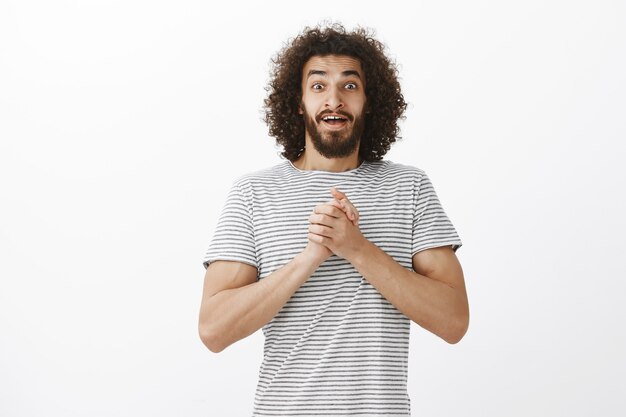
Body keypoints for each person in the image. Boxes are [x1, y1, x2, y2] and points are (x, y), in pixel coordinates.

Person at [198, 24, 469, 417]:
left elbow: (454, 321)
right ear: (298, 101)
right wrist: (310, 257)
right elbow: (213, 331)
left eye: (350, 86)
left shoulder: (408, 187)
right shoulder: (254, 193)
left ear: (370, 101)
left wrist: (357, 249)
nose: (335, 100)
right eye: (319, 85)